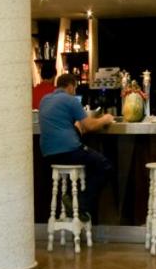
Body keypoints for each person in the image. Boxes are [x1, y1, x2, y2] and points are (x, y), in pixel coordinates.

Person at [38, 73, 114, 222]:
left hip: (47, 154)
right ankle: (79, 203)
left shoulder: (44, 100)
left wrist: (76, 129)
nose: (75, 92)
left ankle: (75, 202)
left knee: (92, 164)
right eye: (75, 89)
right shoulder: (70, 99)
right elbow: (90, 126)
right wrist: (106, 119)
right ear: (71, 86)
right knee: (104, 166)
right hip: (68, 151)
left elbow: (60, 124)